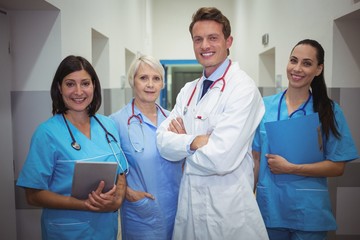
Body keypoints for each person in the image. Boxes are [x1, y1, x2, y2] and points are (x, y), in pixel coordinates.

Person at [156, 7, 269, 240]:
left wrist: (182, 149)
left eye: (213, 38)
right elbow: (162, 142)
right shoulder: (188, 91)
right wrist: (195, 141)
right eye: (198, 39)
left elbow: (221, 159)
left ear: (228, 41)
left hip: (228, 212)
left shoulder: (242, 89)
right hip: (190, 207)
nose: (204, 45)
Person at [252, 39, 359, 240]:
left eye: (307, 63)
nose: (297, 68)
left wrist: (291, 168)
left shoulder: (329, 111)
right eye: (293, 60)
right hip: (269, 208)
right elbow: (255, 158)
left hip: (309, 211)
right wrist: (247, 196)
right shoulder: (264, 107)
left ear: (319, 69)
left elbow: (338, 167)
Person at [16, 55, 128, 240]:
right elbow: (33, 195)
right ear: (59, 88)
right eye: (70, 84)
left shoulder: (108, 126)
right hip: (67, 231)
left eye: (85, 83)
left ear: (93, 86)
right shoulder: (47, 133)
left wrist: (116, 201)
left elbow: (121, 174)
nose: (78, 91)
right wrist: (83, 204)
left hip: (106, 231)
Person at [110, 55, 183, 239]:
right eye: (143, 78)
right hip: (141, 214)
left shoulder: (173, 120)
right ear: (132, 81)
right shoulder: (116, 122)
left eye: (156, 78)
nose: (150, 84)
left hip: (178, 207)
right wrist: (126, 192)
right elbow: (110, 169)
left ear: (162, 84)